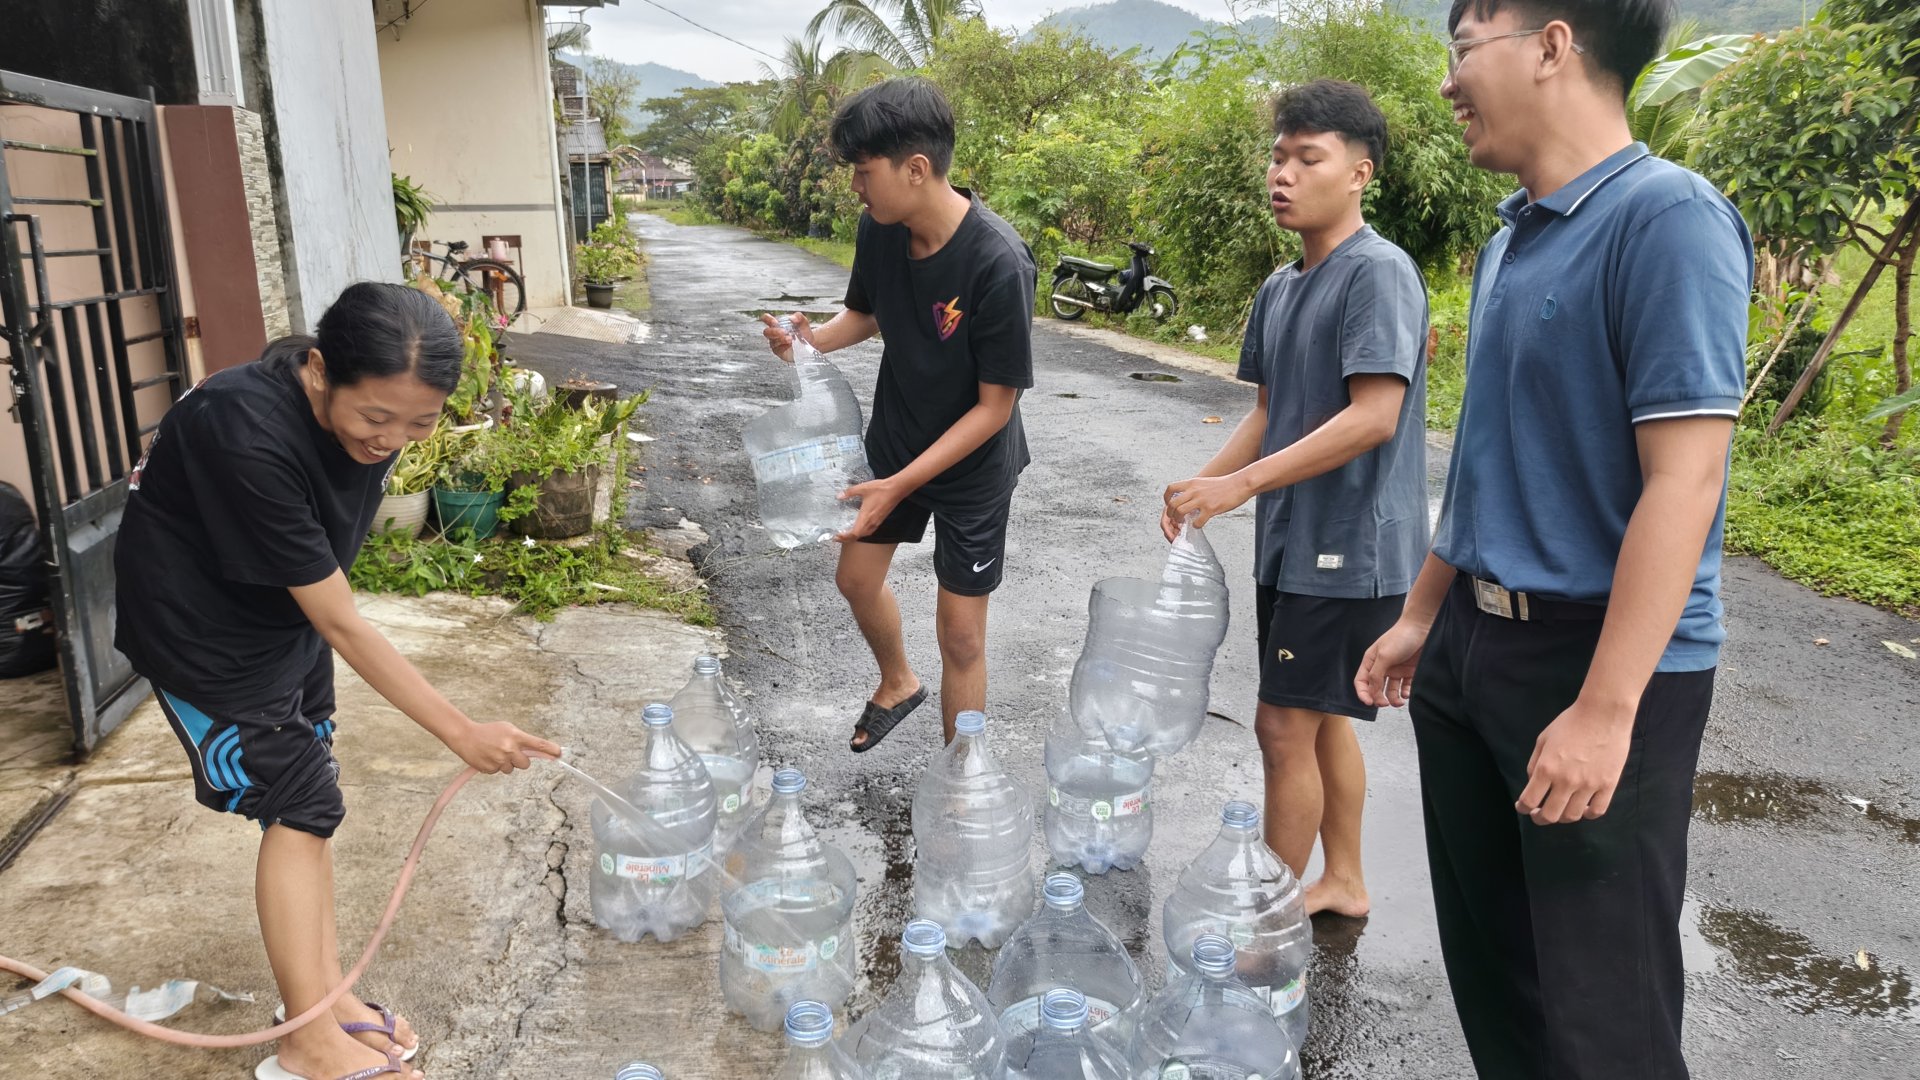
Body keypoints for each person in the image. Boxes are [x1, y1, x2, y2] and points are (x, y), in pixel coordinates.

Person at [1354, 2, 1751, 1075]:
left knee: (1599, 1011)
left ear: (1552, 43)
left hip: (1600, 658)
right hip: (1472, 647)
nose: (1447, 84)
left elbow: (1687, 478)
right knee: (1500, 983)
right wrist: (1422, 618)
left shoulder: (1667, 219)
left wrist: (1607, 709)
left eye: (1461, 50)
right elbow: (1485, 456)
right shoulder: (1511, 239)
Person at [116, 282, 560, 1080]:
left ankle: (319, 1001)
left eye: (418, 423)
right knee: (299, 807)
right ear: (320, 372)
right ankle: (306, 1045)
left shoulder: (353, 413)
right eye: (375, 417)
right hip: (204, 638)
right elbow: (343, 620)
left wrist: (383, 430)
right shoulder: (244, 431)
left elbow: (323, 598)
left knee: (311, 797)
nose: (389, 439)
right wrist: (461, 729)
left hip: (277, 616)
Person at [1162, 79, 1430, 917]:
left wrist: (1241, 484)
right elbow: (1272, 415)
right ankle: (1343, 880)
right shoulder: (1281, 288)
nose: (1283, 174)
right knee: (1319, 720)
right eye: (1278, 156)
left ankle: (1265, 917)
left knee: (1282, 726)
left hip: (1348, 548)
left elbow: (1375, 416)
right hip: (1293, 542)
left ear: (1360, 172)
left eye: (1307, 158)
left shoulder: (1377, 274)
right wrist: (1208, 485)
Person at [760, 77, 1036, 752]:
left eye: (863, 171)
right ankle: (897, 682)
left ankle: (962, 783)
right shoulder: (881, 227)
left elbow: (996, 407)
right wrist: (808, 342)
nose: (856, 185)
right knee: (855, 579)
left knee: (963, 636)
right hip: (896, 439)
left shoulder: (999, 262)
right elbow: (869, 312)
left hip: (972, 466)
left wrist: (901, 484)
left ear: (916, 169)